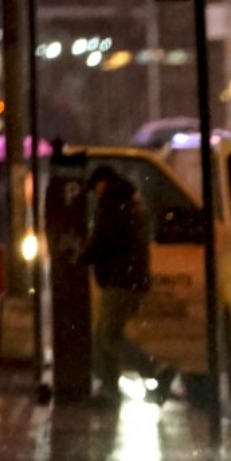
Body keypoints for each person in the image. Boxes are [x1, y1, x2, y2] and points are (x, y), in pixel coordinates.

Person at [80, 165, 174, 406]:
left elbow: (104, 238)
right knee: (103, 336)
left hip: (120, 280)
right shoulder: (128, 198)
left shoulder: (111, 201)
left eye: (95, 188)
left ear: (102, 182)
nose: (95, 194)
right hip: (130, 278)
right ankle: (109, 389)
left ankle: (156, 368)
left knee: (109, 336)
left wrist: (82, 255)